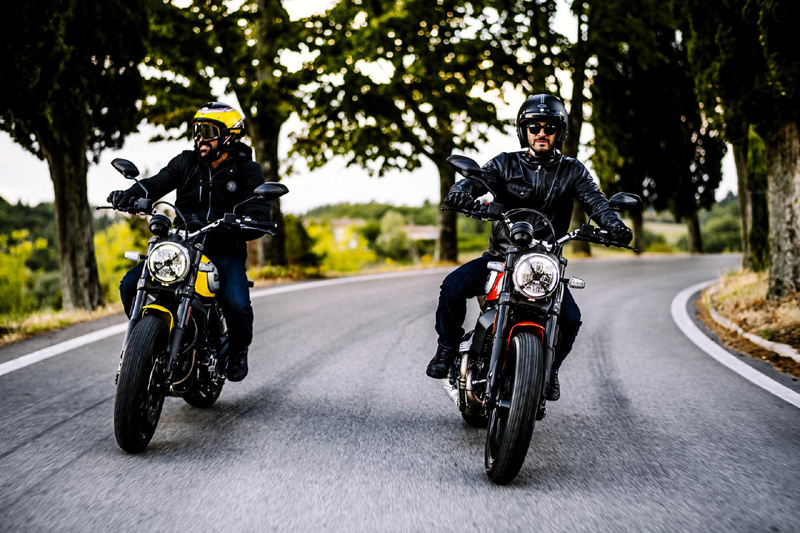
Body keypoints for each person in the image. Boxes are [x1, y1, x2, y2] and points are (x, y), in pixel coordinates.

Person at [426, 94, 633, 411]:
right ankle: (447, 349)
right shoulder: (505, 163)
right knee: (452, 286)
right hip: (501, 257)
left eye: (549, 127)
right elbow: (479, 181)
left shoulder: (572, 170)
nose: (541, 133)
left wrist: (614, 225)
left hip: (545, 262)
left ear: (559, 133)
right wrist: (461, 191)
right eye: (534, 127)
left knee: (571, 319)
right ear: (524, 131)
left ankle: (549, 370)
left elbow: (597, 202)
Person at [109, 102, 270, 382]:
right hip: (182, 244)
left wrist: (250, 221)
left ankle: (237, 350)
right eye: (197, 131)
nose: (200, 138)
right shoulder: (185, 162)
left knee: (237, 304)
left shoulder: (247, 170)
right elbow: (155, 183)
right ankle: (145, 345)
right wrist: (130, 194)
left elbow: (258, 208)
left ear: (228, 136)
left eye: (207, 132)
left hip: (223, 248)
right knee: (129, 285)